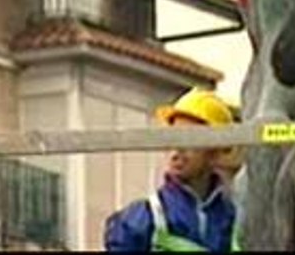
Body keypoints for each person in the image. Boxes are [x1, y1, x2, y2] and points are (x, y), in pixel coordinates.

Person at [103, 89, 240, 252]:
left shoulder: (236, 221)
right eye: (172, 137)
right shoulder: (140, 221)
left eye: (188, 139)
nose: (176, 151)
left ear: (216, 151)